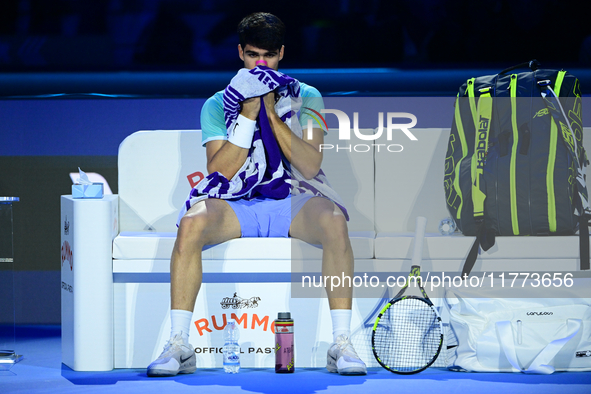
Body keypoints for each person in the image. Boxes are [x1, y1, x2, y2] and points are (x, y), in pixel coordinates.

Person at [147, 12, 366, 377]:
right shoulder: (217, 104)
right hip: (237, 205)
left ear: (281, 54)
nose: (260, 65)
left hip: (292, 201)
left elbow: (311, 166)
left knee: (334, 221)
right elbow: (220, 171)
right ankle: (179, 345)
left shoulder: (307, 96)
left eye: (268, 56)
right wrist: (249, 114)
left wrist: (271, 114)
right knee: (190, 224)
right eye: (252, 55)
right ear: (239, 54)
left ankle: (341, 343)